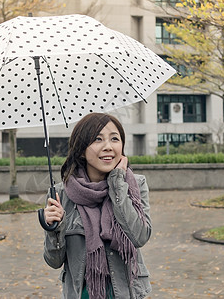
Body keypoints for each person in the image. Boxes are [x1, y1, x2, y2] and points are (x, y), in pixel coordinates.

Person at [43, 113, 152, 299]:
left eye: (115, 139)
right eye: (97, 139)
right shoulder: (61, 194)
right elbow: (54, 261)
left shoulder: (135, 185)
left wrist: (118, 184)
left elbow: (139, 237)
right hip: (82, 293)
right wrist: (55, 229)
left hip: (126, 293)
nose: (108, 147)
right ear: (80, 149)